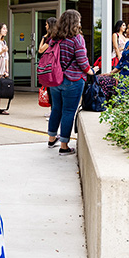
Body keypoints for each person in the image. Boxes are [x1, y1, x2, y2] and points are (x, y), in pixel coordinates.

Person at [47, 9, 94, 156]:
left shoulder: (55, 38)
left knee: (56, 109)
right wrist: (91, 71)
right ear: (75, 22)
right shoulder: (77, 38)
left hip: (55, 80)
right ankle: (64, 146)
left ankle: (51, 138)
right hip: (72, 80)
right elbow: (82, 61)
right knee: (68, 111)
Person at [38, 17, 57, 119]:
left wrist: (43, 37)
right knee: (51, 89)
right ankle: (52, 111)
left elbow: (40, 50)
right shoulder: (55, 37)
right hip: (54, 66)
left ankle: (53, 112)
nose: (45, 26)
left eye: (46, 24)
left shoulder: (50, 39)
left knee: (51, 89)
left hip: (50, 67)